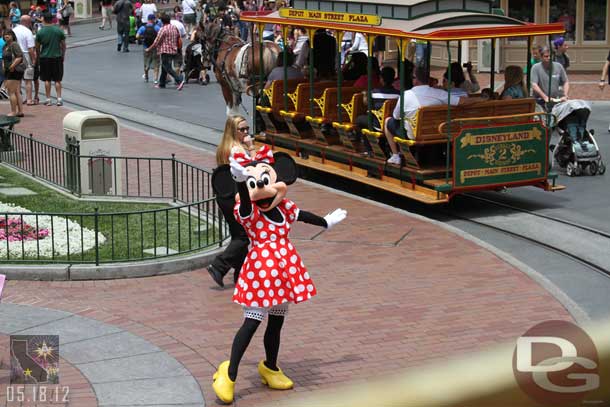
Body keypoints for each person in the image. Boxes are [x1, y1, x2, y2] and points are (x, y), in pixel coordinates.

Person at [210, 144, 347, 404]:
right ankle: (229, 374)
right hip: (261, 275)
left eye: (265, 181)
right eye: (253, 185)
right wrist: (240, 182)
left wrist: (326, 222)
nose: (262, 189)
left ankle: (270, 367)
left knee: (276, 322)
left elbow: (302, 215)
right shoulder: (249, 213)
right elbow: (248, 207)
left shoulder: (284, 208)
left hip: (283, 274)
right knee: (251, 323)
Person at [383, 67, 481, 164]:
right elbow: (462, 102)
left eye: (412, 78)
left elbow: (396, 116)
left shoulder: (406, 95)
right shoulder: (440, 94)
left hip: (414, 134)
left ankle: (395, 155)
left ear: (415, 80)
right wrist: (481, 100)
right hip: (438, 131)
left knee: (388, 121)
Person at [207, 115, 254, 288]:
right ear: (233, 131)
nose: (246, 132)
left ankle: (239, 275)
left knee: (238, 234)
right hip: (236, 196)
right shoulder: (237, 149)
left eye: (247, 128)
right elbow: (253, 168)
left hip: (225, 195)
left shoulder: (224, 147)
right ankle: (218, 266)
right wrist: (252, 147)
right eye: (242, 129)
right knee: (243, 236)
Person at [145, 13, 185, 90]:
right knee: (164, 67)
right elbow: (178, 37)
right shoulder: (174, 28)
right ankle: (162, 84)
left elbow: (156, 41)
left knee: (167, 67)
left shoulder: (163, 29)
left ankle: (179, 80)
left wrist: (149, 49)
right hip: (174, 50)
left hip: (165, 50)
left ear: (162, 21)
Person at [36, 12, 66, 106]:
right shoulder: (58, 30)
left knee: (47, 80)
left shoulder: (40, 32)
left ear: (43, 19)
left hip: (45, 58)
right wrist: (63, 55)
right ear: (52, 19)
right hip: (57, 57)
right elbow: (63, 45)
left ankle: (48, 99)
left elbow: (37, 47)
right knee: (57, 80)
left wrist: (38, 56)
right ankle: (59, 99)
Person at [14, 15, 38, 106]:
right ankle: (28, 99)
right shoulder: (28, 32)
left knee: (18, 79)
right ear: (27, 22)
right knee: (28, 79)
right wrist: (34, 59)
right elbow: (31, 48)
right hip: (25, 55)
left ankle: (19, 98)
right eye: (30, 22)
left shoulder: (14, 30)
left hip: (16, 56)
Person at [2, 29, 24, 116]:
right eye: (5, 34)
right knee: (16, 91)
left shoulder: (14, 44)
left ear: (12, 36)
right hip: (8, 70)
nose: (6, 36)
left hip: (14, 71)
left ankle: (13, 111)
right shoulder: (5, 45)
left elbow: (19, 57)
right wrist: (4, 66)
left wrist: (12, 66)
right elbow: (4, 57)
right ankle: (20, 111)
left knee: (11, 92)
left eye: (9, 34)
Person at [136, 13, 160, 83]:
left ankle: (146, 76)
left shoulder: (143, 27)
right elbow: (160, 35)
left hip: (145, 47)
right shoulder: (157, 27)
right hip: (155, 47)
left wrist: (143, 38)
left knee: (146, 62)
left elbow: (137, 36)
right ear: (153, 19)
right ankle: (155, 79)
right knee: (156, 63)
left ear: (148, 19)